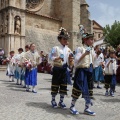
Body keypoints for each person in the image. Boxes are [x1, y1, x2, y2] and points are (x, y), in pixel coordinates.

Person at [70, 33, 96, 116]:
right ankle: (72, 106)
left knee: (89, 88)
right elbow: (76, 60)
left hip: (90, 70)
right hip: (81, 70)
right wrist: (85, 54)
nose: (92, 41)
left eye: (93, 39)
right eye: (91, 39)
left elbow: (92, 60)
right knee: (78, 87)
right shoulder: (80, 48)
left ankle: (87, 108)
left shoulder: (91, 49)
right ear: (85, 40)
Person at [50, 27, 72, 109]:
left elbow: (71, 59)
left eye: (66, 39)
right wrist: (57, 58)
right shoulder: (55, 48)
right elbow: (50, 57)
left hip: (64, 69)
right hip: (57, 68)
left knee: (63, 86)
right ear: (60, 39)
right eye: (64, 39)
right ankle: (53, 100)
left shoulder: (69, 50)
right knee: (55, 84)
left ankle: (61, 101)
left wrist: (71, 62)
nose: (65, 40)